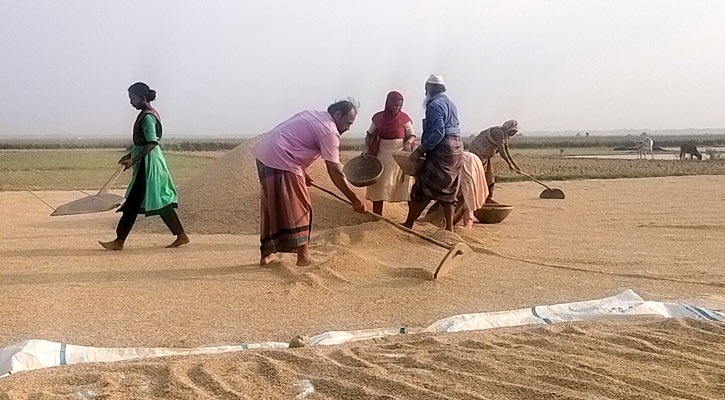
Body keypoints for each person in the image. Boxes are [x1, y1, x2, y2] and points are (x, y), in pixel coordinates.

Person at [253, 99, 366, 266]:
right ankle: (303, 257)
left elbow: (293, 140)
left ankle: (267, 254)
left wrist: (303, 172)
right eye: (348, 122)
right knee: (301, 207)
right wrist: (354, 199)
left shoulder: (314, 115)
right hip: (282, 158)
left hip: (264, 153)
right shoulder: (330, 131)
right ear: (337, 114)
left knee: (272, 205)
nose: (348, 128)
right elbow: (335, 171)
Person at [99, 82, 188, 250]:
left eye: (132, 98)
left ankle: (119, 241)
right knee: (159, 201)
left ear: (143, 98)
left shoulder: (147, 116)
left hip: (148, 164)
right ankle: (181, 235)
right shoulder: (147, 114)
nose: (131, 102)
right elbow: (143, 143)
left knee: (132, 202)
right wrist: (130, 155)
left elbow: (151, 142)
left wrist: (133, 159)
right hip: (146, 160)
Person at [403, 74, 463, 232]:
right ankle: (449, 229)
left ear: (431, 89)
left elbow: (438, 132)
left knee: (422, 188)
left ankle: (409, 223)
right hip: (456, 148)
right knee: (449, 190)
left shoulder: (434, 105)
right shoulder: (451, 104)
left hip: (443, 150)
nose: (425, 93)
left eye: (425, 90)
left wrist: (421, 150)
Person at [364, 91, 416, 215]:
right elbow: (369, 135)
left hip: (400, 156)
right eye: (394, 105)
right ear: (388, 104)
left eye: (399, 106)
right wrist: (367, 149)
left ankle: (411, 218)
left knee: (406, 186)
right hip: (382, 154)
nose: (397, 108)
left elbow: (412, 135)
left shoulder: (405, 119)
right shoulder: (378, 118)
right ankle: (377, 216)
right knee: (380, 185)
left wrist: (408, 143)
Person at [422, 151, 488, 227]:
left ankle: (468, 222)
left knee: (468, 193)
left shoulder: (438, 165)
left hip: (467, 163)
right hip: (463, 161)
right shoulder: (437, 164)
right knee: (464, 192)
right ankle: (465, 220)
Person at [468, 119, 520, 203]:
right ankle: (475, 198)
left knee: (489, 176)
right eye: (514, 131)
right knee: (479, 176)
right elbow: (502, 151)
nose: (514, 133)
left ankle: (488, 198)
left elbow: (507, 151)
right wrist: (510, 164)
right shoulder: (499, 132)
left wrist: (515, 165)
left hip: (486, 155)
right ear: (509, 129)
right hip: (478, 153)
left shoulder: (505, 136)